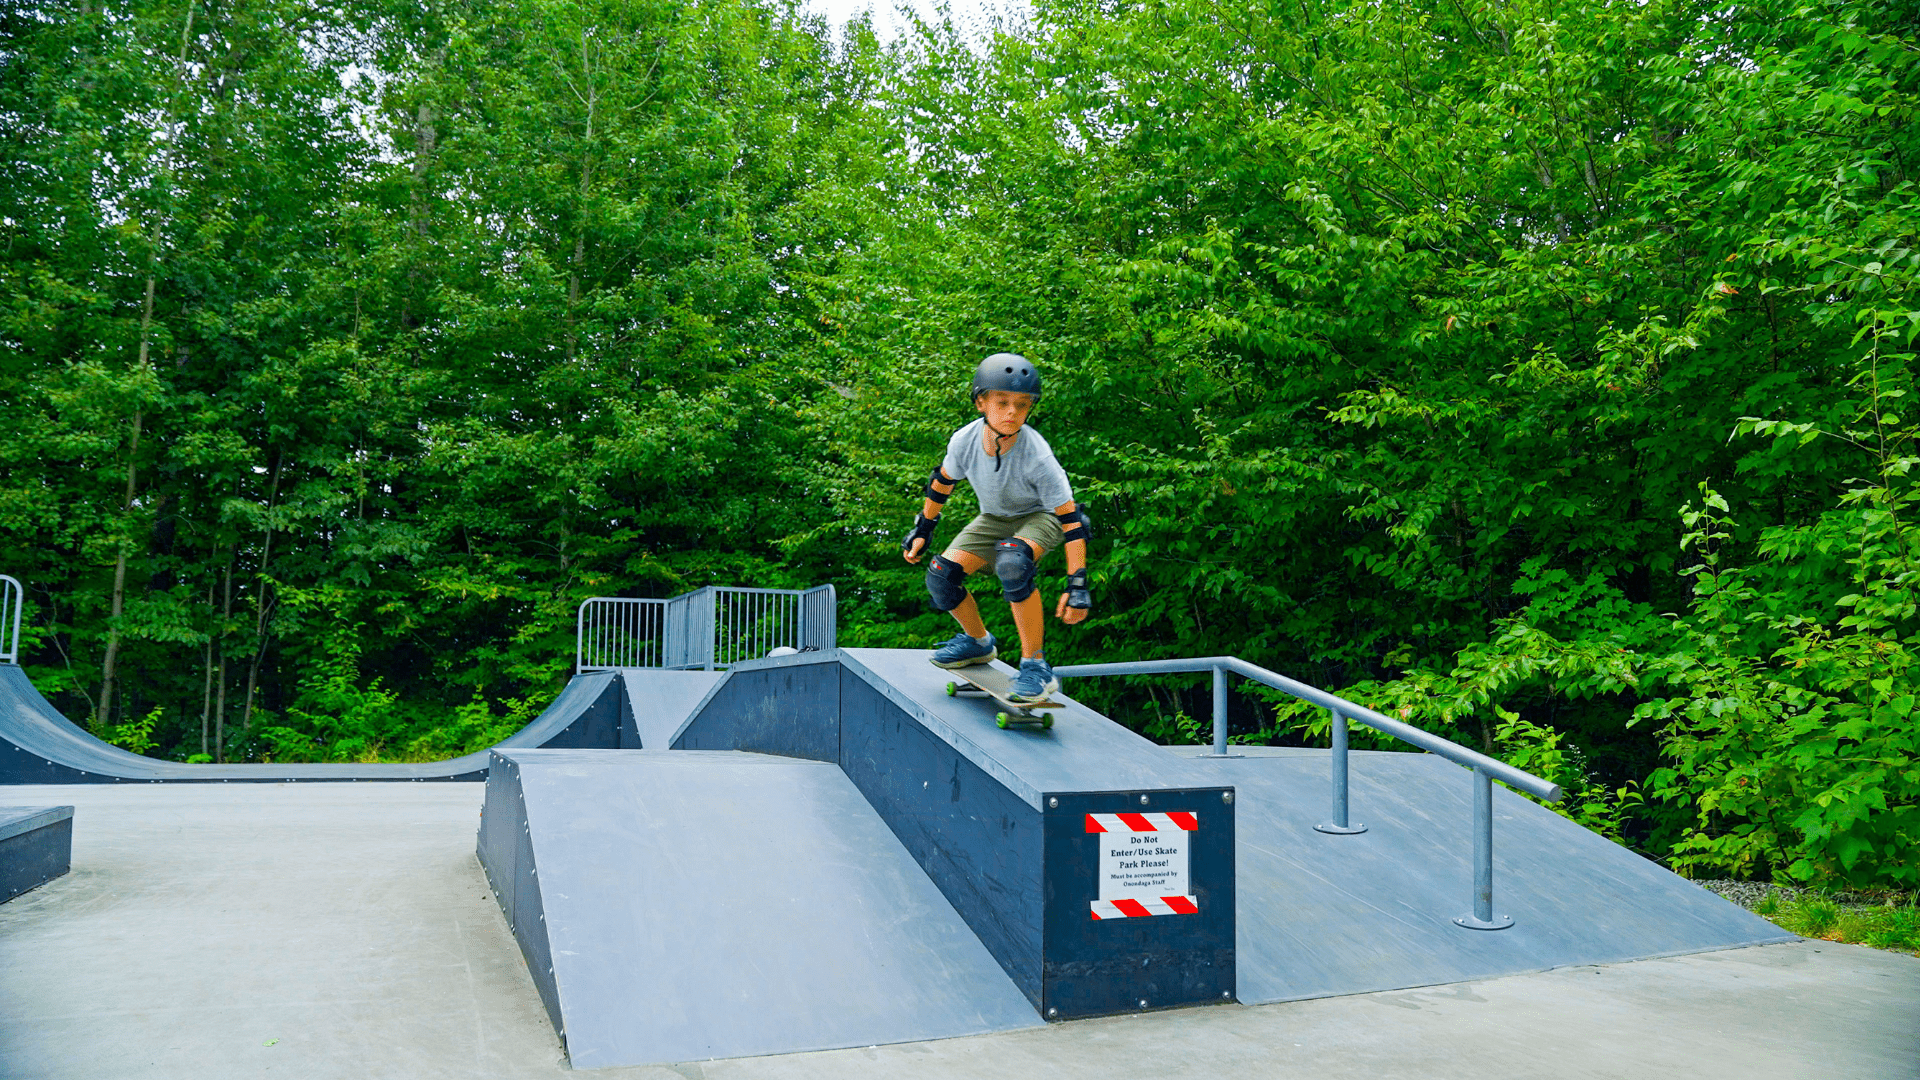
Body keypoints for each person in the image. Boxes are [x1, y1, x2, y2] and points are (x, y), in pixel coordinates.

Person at [901, 353, 1092, 702]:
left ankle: (1035, 665)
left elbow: (1072, 521)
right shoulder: (964, 441)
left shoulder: (1038, 455)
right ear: (980, 402)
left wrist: (1077, 584)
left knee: (1012, 560)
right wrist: (923, 530)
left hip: (1042, 516)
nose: (1012, 413)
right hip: (993, 518)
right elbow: (941, 483)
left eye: (1022, 405)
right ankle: (977, 642)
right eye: (1002, 403)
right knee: (941, 575)